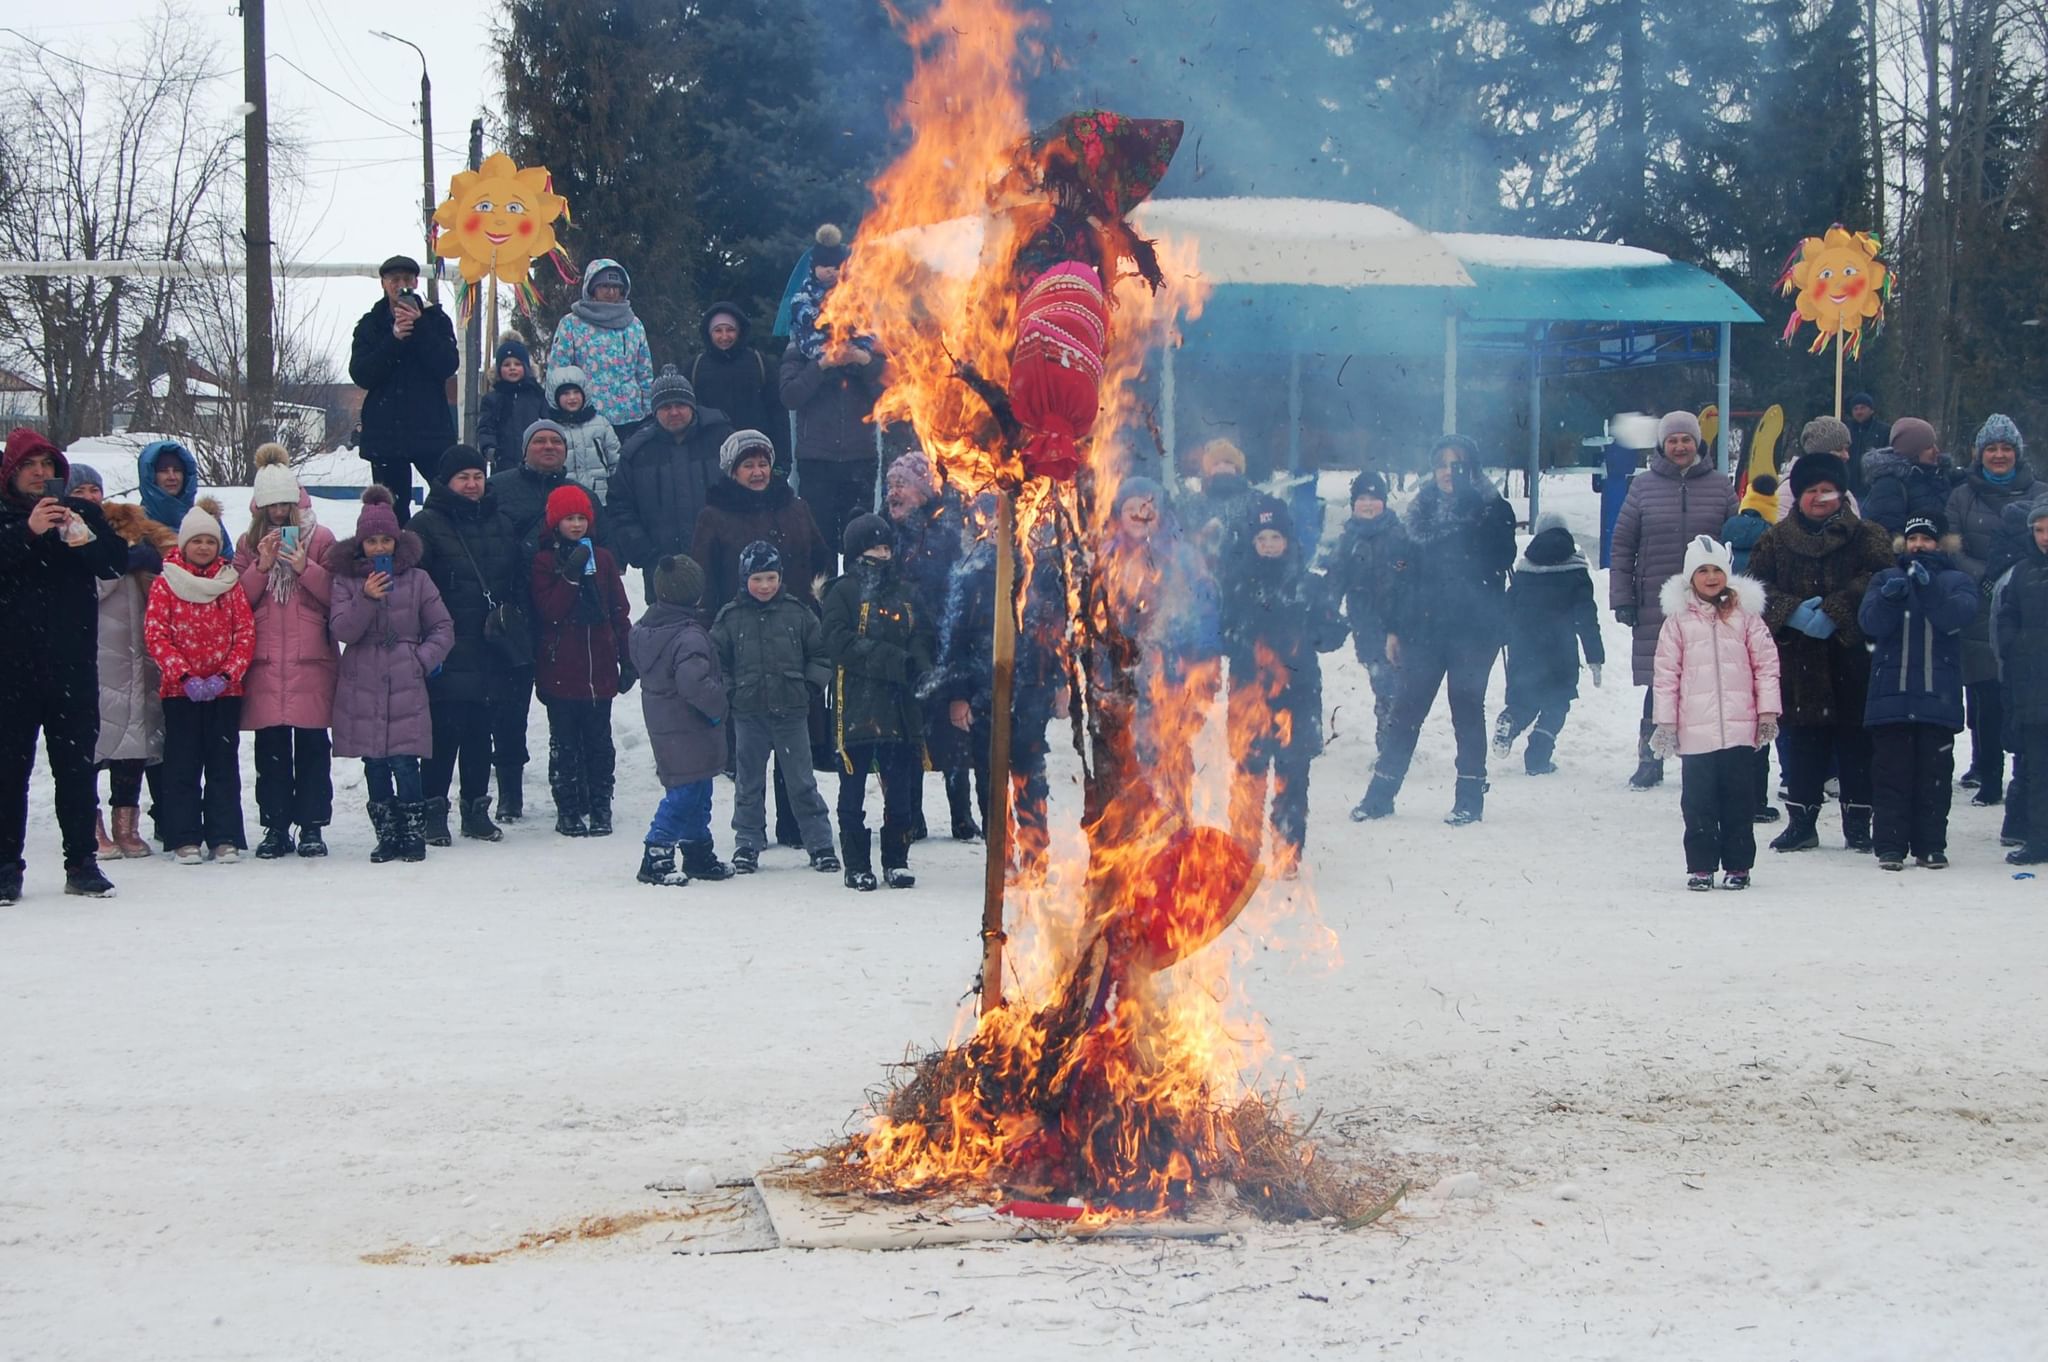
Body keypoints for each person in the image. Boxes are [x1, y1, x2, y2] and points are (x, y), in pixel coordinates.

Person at [1352, 435, 1516, 825]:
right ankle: (1381, 795)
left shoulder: (1492, 507)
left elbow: (1503, 555)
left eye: (1457, 463)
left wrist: (1474, 507)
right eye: (1442, 463)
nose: (1448, 471)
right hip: (1425, 626)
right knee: (1407, 707)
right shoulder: (1421, 510)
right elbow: (1401, 574)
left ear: (1472, 467)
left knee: (1466, 706)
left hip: (1475, 629)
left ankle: (1470, 797)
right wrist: (1393, 627)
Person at [1, 429, 129, 902]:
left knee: (75, 772)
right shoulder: (6, 517)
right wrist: (29, 531)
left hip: (71, 665)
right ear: (13, 473)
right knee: (7, 773)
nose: (41, 474)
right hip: (10, 669)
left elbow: (113, 565)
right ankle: (5, 869)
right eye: (30, 465)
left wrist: (81, 535)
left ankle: (82, 863)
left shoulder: (85, 513)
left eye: (48, 465)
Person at [692, 429, 836, 847]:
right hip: (743, 639)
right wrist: (711, 630)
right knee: (751, 746)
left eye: (762, 463)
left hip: (794, 637)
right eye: (747, 465)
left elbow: (822, 562)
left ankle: (796, 825)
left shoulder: (795, 507)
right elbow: (702, 576)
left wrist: (819, 609)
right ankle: (750, 831)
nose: (757, 472)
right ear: (732, 470)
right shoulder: (713, 515)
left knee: (797, 744)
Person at [1748, 454, 1894, 853]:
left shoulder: (1868, 535)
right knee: (1803, 745)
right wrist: (1789, 611)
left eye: (1826, 489)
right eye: (1810, 490)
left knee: (1856, 745)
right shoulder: (1775, 539)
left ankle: (1859, 821)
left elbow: (1881, 579)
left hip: (1854, 656)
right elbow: (1754, 589)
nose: (1818, 497)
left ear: (1840, 493)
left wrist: (1837, 610)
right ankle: (1802, 821)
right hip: (1799, 660)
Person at [933, 506, 1067, 882]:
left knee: (1030, 775)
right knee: (991, 779)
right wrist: (957, 694)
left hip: (1031, 690)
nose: (1001, 533)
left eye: (1008, 526)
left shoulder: (1044, 574)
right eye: (994, 527)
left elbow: (1054, 634)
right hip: (983, 691)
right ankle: (1000, 857)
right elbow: (953, 641)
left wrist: (1059, 683)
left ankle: (1035, 855)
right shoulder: (970, 576)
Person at [1609, 410, 1739, 790]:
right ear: (1662, 446)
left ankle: (1707, 758)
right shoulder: (1643, 487)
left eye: (1686, 439)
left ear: (1697, 442)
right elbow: (1622, 544)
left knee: (1708, 681)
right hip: (1657, 604)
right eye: (1672, 440)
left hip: (1711, 603)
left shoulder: (1720, 486)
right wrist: (1623, 596)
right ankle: (1650, 758)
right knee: (1659, 681)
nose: (1680, 446)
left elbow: (1736, 541)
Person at [327, 486, 455, 863]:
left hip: (405, 682)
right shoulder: (346, 582)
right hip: (362, 683)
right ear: (360, 545)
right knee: (375, 763)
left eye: (386, 540)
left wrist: (420, 660)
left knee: (405, 761)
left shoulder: (418, 580)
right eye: (372, 541)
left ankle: (413, 834)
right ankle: (386, 835)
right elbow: (343, 631)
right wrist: (366, 598)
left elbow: (443, 627)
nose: (380, 548)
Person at [1220, 497, 1347, 877]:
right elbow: (1222, 630)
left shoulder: (1307, 583)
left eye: (1277, 536)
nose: (1270, 544)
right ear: (1253, 542)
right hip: (1249, 691)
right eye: (1263, 538)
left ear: (1288, 540)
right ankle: (1243, 847)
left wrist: (1318, 631)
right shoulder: (1238, 582)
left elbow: (1332, 631)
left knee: (1293, 773)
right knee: (1248, 771)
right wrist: (1244, 641)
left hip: (1299, 691)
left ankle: (1288, 849)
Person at [409, 444, 526, 846]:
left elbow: (515, 575)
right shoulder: (425, 524)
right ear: (447, 482)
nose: (473, 484)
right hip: (447, 642)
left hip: (491, 641)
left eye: (478, 476)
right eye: (464, 477)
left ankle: (476, 809)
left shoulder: (500, 520)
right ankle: (433, 810)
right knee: (444, 730)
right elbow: (414, 587)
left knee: (481, 730)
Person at [1649, 535, 1781, 891]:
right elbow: (1665, 675)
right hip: (1696, 733)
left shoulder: (1746, 617)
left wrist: (1767, 713)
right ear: (1690, 577)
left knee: (1740, 801)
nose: (1710, 577)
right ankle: (1701, 865)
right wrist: (1666, 722)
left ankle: (1738, 865)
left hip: (1739, 730)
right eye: (1702, 570)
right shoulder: (1677, 622)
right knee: (1698, 803)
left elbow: (1766, 665)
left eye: (1717, 570)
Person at [1090, 475, 1221, 821]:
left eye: (1146, 506)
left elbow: (1205, 616)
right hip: (1118, 680)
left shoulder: (1183, 558)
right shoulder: (1105, 557)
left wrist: (1203, 671)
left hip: (1171, 677)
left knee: (1172, 758)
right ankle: (1130, 842)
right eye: (1130, 507)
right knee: (1124, 764)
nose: (1138, 513)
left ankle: (1177, 836)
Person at [483, 419, 592, 821]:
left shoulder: (579, 494)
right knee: (509, 708)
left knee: (569, 705)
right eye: (540, 440)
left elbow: (601, 546)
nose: (548, 447)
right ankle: (510, 790)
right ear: (525, 448)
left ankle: (572, 786)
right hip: (516, 612)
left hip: (566, 615)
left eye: (556, 441)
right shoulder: (500, 487)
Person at [710, 540, 840, 875]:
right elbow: (716, 661)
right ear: (744, 580)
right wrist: (730, 692)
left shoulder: (798, 614)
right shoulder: (730, 617)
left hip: (792, 714)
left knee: (801, 781)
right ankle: (748, 842)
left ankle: (820, 843)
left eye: (770, 578)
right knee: (749, 782)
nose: (765, 586)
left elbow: (821, 654)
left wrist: (810, 685)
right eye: (757, 579)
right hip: (748, 714)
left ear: (780, 577)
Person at [235, 445, 339, 859]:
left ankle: (312, 826)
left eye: (285, 504)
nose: (279, 513)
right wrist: (260, 567)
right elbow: (237, 603)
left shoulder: (322, 538)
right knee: (271, 752)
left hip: (310, 656)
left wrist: (303, 567)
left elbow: (337, 596)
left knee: (314, 748)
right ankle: (275, 827)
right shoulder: (248, 541)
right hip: (264, 658)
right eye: (271, 506)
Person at [821, 514, 932, 890]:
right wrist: (892, 660)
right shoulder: (843, 592)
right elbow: (839, 642)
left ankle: (896, 859)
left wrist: (919, 663)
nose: (881, 555)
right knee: (852, 788)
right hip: (856, 705)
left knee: (900, 787)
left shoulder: (904, 591)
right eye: (873, 548)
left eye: (886, 547)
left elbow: (920, 632)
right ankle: (855, 863)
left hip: (899, 708)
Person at [1859, 514, 1976, 870]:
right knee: (1890, 776)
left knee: (1934, 779)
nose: (1919, 545)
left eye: (1927, 539)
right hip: (1890, 698)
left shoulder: (1958, 581)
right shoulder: (1885, 578)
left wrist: (1928, 588)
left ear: (1940, 544)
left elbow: (1955, 617)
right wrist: (1889, 600)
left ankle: (1930, 846)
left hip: (1936, 699)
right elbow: (1869, 623)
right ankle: (1890, 846)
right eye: (1913, 539)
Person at [144, 497, 254, 864]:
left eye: (210, 541)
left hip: (225, 692)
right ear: (184, 546)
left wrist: (227, 675)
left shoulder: (230, 583)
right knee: (182, 765)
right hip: (181, 693)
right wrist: (184, 675)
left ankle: (224, 836)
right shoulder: (166, 583)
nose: (204, 547)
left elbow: (245, 634)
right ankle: (184, 836)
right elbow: (156, 635)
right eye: (197, 541)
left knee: (222, 765)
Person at [67, 465, 169, 860]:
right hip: (95, 652)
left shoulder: (127, 528)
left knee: (133, 741)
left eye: (96, 489)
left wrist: (150, 564)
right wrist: (116, 565)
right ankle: (89, 826)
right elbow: (81, 590)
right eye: (83, 489)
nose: (91, 496)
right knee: (93, 742)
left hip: (136, 650)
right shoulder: (67, 535)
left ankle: (126, 825)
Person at [1946, 414, 2043, 805]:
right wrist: (1981, 575)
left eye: (2005, 448)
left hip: (2029, 607)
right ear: (1979, 453)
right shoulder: (1962, 496)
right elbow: (1951, 546)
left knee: (2026, 698)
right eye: (1992, 448)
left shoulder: (2039, 491)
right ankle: (1987, 774)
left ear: (2016, 453)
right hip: (1978, 609)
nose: (1999, 455)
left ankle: (2028, 780)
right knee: (1983, 698)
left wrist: (2014, 576)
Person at [781, 225, 887, 567]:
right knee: (820, 546)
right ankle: (822, 608)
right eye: (824, 265)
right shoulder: (801, 341)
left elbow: (887, 391)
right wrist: (822, 365)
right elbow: (791, 396)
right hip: (817, 460)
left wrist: (861, 360)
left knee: (860, 544)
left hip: (860, 456)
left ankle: (861, 606)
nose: (830, 271)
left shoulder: (866, 333)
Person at [531, 485, 634, 839]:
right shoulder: (544, 562)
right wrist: (570, 576)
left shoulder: (603, 559)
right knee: (565, 746)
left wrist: (627, 657)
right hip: (562, 669)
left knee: (599, 744)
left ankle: (600, 804)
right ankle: (569, 809)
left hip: (600, 669)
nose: (575, 526)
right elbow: (550, 611)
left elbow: (619, 611)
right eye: (568, 519)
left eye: (581, 519)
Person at [630, 554, 733, 887]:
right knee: (686, 793)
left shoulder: (647, 629)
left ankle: (697, 850)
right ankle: (656, 852)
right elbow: (694, 684)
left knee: (697, 788)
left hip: (667, 726)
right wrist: (719, 702)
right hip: (690, 726)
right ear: (696, 595)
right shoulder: (688, 636)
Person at [883, 450, 971, 840]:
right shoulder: (884, 536)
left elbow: (956, 595)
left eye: (901, 484)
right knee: (905, 738)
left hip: (941, 647)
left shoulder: (945, 535)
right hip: (901, 651)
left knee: (950, 739)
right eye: (890, 485)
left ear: (922, 491)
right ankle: (911, 816)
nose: (893, 493)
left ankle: (962, 815)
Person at [607, 366, 735, 599]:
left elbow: (742, 490)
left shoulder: (722, 438)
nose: (674, 412)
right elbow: (620, 508)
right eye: (666, 407)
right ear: (655, 411)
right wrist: (645, 553)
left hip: (721, 563)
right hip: (662, 570)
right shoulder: (636, 452)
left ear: (692, 406)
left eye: (680, 405)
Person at [349, 255, 458, 524]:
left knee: (449, 500)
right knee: (390, 511)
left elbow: (447, 365)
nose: (401, 285)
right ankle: (395, 560)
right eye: (394, 280)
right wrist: (394, 339)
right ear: (383, 284)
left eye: (407, 280)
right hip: (386, 434)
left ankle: (443, 555)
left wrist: (420, 328)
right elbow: (361, 373)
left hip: (430, 429)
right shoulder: (370, 324)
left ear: (416, 282)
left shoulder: (436, 319)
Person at [1495, 510, 1603, 776]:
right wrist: (1595, 656)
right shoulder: (1576, 571)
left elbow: (1508, 608)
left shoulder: (1525, 569)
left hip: (1523, 649)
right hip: (1560, 648)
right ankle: (1537, 757)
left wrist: (1498, 637)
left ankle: (1512, 719)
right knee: (1557, 702)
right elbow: (1586, 617)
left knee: (1524, 699)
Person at [1328, 470, 1408, 749]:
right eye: (1362, 498)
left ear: (1384, 502)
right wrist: (1326, 609)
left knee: (1394, 679)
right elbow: (1336, 578)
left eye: (1374, 498)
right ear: (1354, 504)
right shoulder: (1348, 539)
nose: (1368, 504)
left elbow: (1410, 575)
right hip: (1365, 623)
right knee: (1382, 680)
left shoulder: (1399, 535)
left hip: (1398, 620)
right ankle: (1390, 733)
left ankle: (1391, 737)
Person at [1721, 472, 1784, 822]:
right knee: (1757, 724)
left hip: (1725, 643)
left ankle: (1729, 798)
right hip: (1758, 639)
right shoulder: (1773, 538)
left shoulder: (1727, 535)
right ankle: (1755, 800)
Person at [1996, 502, 2048, 864]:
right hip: (2034, 688)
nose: (2046, 538)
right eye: (2040, 530)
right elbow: (2006, 620)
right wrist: (2018, 648)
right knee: (2037, 770)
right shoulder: (2022, 573)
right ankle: (2039, 838)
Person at [549, 258, 653, 431]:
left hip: (632, 419)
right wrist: (560, 413)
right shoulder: (571, 324)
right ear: (592, 288)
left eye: (616, 287)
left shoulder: (634, 325)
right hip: (587, 420)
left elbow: (645, 373)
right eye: (604, 286)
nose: (611, 292)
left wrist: (649, 413)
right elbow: (558, 373)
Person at [690, 302, 787, 474]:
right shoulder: (696, 367)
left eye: (730, 330)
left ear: (739, 331)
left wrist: (782, 458)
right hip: (710, 455)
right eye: (718, 331)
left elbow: (777, 411)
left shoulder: (759, 363)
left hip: (755, 454)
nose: (724, 336)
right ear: (709, 333)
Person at [1861, 418, 1957, 537]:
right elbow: (1889, 534)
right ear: (1912, 452)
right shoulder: (1888, 486)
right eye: (1929, 447)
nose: (1936, 450)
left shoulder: (1940, 476)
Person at [1180, 438, 1261, 576]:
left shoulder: (1254, 499)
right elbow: (1188, 539)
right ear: (1209, 470)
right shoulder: (1196, 503)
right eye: (1216, 463)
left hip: (1246, 574)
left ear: (1237, 468)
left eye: (1228, 462)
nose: (1222, 467)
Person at [545, 365, 622, 505]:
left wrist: (615, 492)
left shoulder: (601, 424)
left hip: (599, 497)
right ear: (555, 397)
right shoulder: (550, 429)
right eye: (565, 393)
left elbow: (615, 461)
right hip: (562, 499)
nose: (572, 397)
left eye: (576, 392)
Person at [478, 338, 546, 474]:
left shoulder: (536, 395)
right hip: (503, 461)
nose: (512, 368)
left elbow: (547, 422)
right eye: (507, 365)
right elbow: (486, 427)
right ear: (499, 370)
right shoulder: (492, 399)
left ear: (526, 368)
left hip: (535, 460)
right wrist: (490, 448)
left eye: (517, 364)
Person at [1777, 417, 1862, 522]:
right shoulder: (1788, 491)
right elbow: (1783, 534)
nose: (1846, 456)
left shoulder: (1846, 493)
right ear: (1819, 454)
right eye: (1839, 449)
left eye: (1847, 449)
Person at [1845, 392, 1891, 496]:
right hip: (1850, 488)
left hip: (1873, 489)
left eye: (1862, 408)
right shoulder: (1846, 430)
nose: (1859, 412)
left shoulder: (1883, 431)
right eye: (1855, 408)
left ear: (1871, 410)